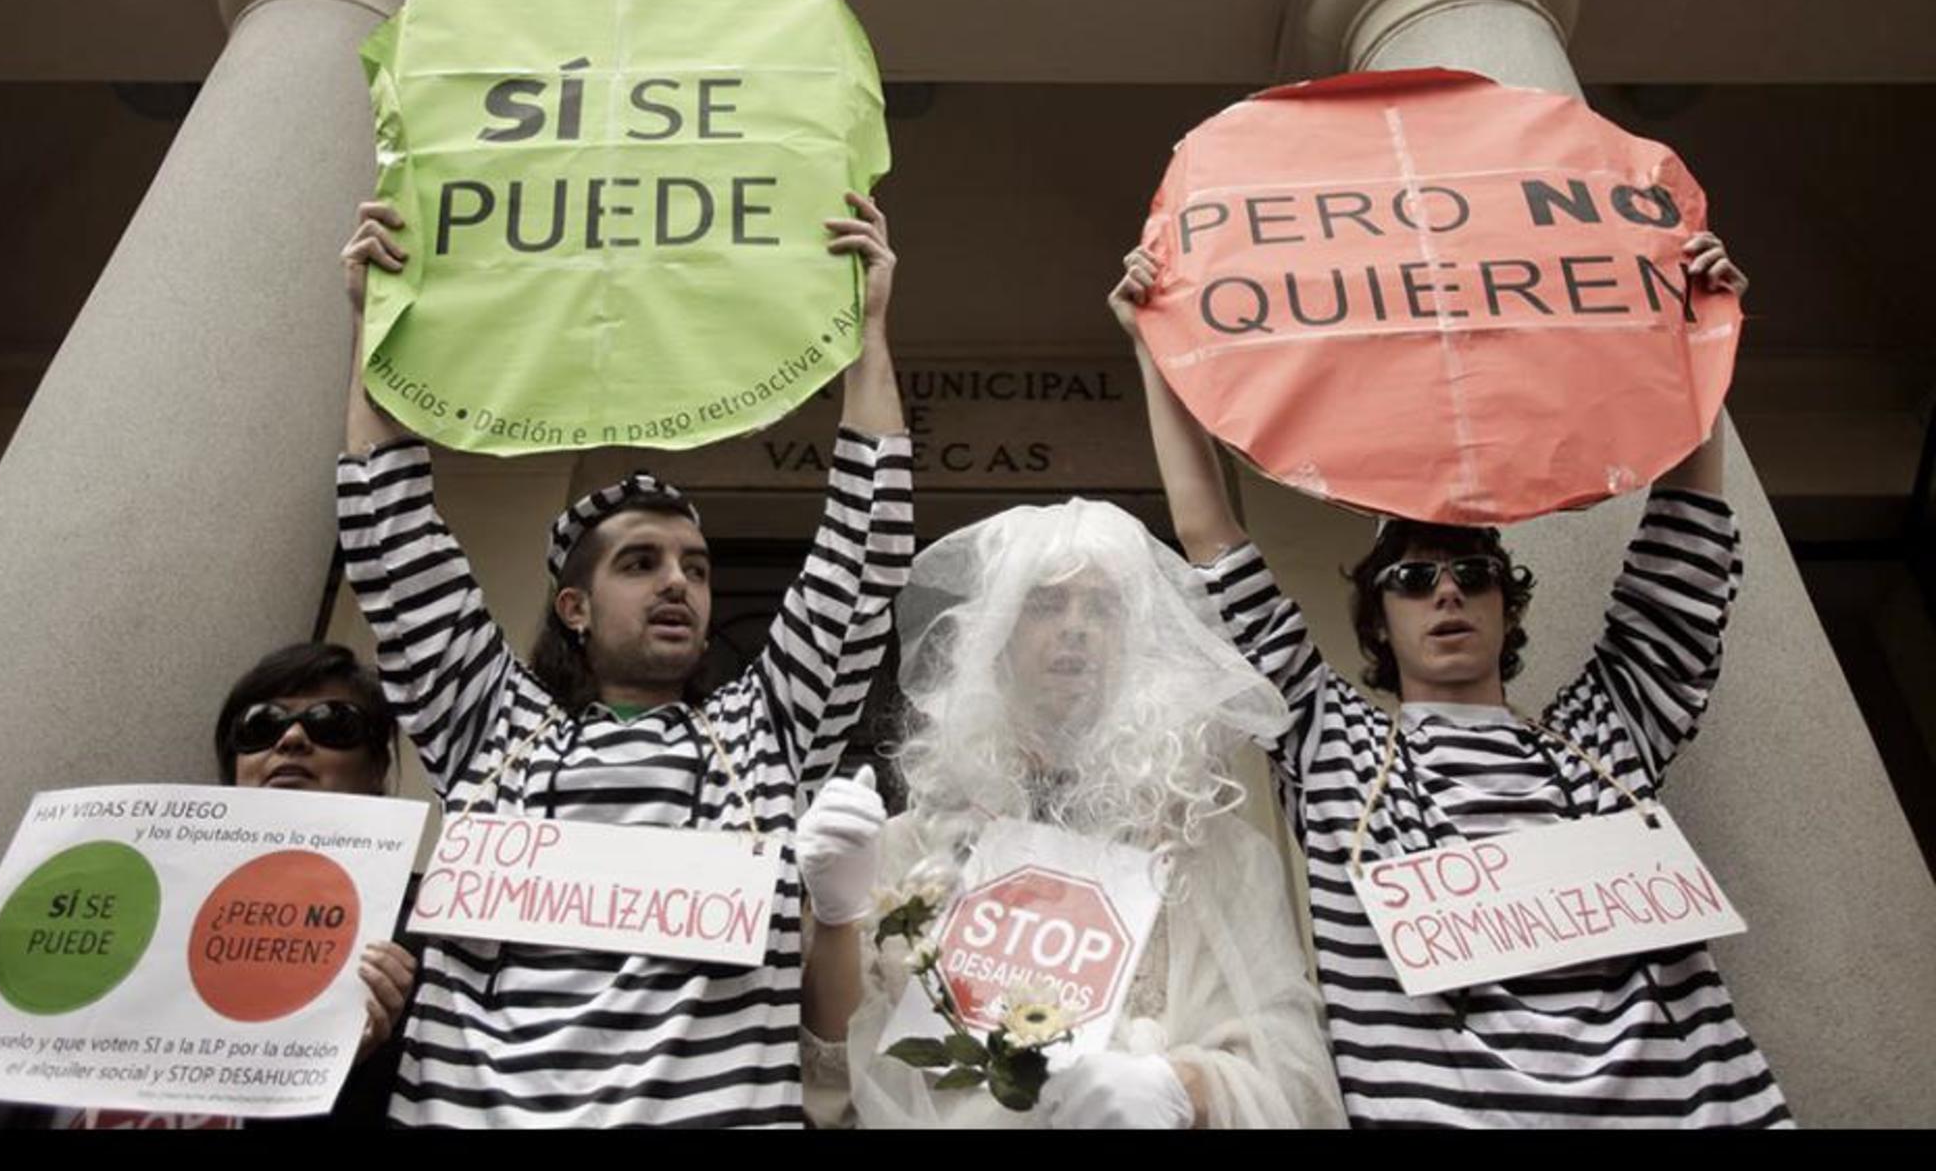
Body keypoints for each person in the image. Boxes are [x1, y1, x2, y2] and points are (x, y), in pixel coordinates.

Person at [1107, 232, 1793, 1128]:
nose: (1445, 591)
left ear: (1507, 608)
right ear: (1378, 620)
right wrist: (1154, 352)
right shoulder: (1331, 748)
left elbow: (1684, 564)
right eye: (1412, 578)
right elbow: (1214, 546)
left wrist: (1702, 336)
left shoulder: (1605, 736)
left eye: (1473, 574)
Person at [334, 191, 911, 1128]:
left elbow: (868, 542)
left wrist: (870, 327)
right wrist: (374, 325)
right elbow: (388, 537)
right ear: (573, 607)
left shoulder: (763, 735)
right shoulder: (491, 728)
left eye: (695, 566)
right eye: (640, 564)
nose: (677, 583)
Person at [797, 499, 1346, 1129]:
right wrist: (837, 920)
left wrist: (1185, 1087)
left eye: (1103, 607)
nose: (1075, 626)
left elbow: (1298, 1063)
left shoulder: (1219, 854)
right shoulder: (908, 849)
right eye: (1044, 604)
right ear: (995, 642)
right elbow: (831, 1082)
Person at [0, 641, 419, 1129]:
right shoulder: (110, 887)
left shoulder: (412, 944)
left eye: (333, 723)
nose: (291, 738)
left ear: (376, 766)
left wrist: (347, 1067)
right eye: (260, 726)